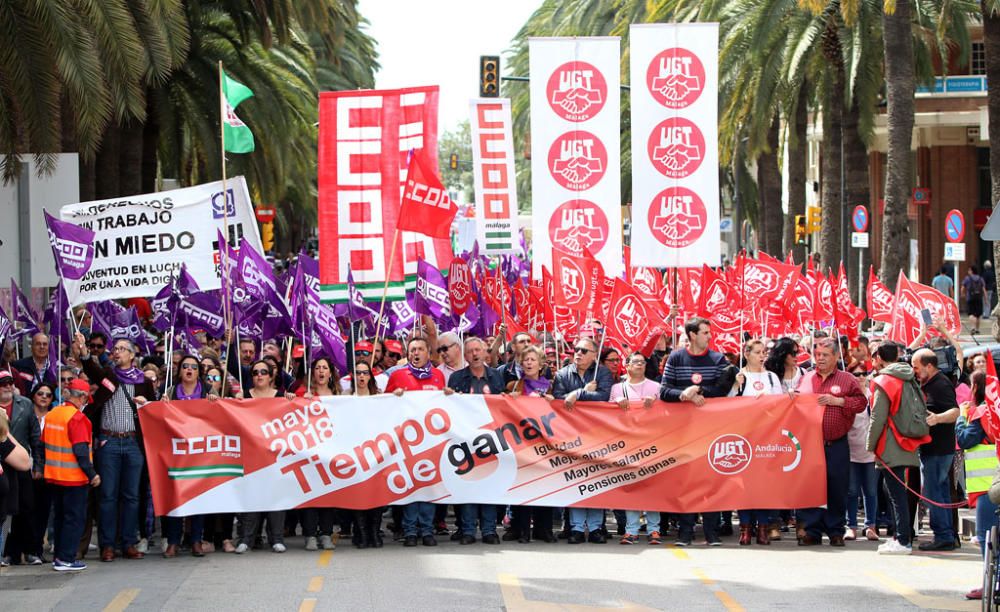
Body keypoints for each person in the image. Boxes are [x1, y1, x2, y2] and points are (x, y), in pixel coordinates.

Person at [75, 333, 154, 562]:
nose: (116, 352)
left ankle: (128, 542)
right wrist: (85, 354)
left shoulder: (143, 382)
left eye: (121, 349)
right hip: (108, 443)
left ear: (131, 355)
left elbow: (153, 411)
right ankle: (107, 545)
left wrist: (149, 403)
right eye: (115, 348)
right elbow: (93, 370)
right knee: (108, 496)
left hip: (133, 444)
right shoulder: (109, 376)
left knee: (131, 496)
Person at [660, 317, 732, 546]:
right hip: (683, 432)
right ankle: (685, 532)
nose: (709, 336)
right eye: (705, 332)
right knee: (686, 483)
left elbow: (722, 388)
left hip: (711, 431)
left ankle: (712, 532)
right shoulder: (676, 357)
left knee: (711, 482)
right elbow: (664, 390)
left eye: (709, 332)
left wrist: (699, 390)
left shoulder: (717, 358)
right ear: (692, 335)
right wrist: (683, 395)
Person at [796, 337, 866, 547]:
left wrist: (840, 401)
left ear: (837, 356)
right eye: (817, 355)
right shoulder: (807, 378)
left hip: (836, 443)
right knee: (810, 487)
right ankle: (811, 530)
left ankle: (835, 530)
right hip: (810, 444)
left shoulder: (847, 379)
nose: (821, 359)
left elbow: (862, 403)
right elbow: (798, 403)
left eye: (825, 355)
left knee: (837, 487)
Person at [387, 337, 449, 547]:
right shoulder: (397, 375)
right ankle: (410, 531)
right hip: (407, 443)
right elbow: (383, 406)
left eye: (420, 349)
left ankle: (427, 530)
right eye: (412, 349)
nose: (416, 353)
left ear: (428, 352)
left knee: (429, 487)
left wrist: (449, 396)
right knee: (412, 488)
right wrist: (392, 396)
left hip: (431, 442)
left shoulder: (438, 376)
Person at [552, 336, 613, 543]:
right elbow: (560, 401)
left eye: (584, 351)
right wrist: (583, 392)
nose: (578, 353)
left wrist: (576, 395)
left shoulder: (603, 372)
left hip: (597, 434)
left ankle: (596, 528)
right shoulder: (562, 374)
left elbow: (603, 397)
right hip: (571, 435)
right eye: (576, 349)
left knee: (595, 481)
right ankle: (577, 528)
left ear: (594, 355)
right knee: (576, 480)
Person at [159, 355, 218, 558]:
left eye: (194, 367)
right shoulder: (171, 391)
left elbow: (220, 416)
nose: (189, 370)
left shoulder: (208, 390)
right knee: (176, 498)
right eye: (185, 366)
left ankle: (195, 541)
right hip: (177, 452)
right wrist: (162, 404)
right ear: (180, 370)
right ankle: (173, 541)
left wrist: (214, 402)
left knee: (198, 499)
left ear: (199, 372)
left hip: (200, 452)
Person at [448, 337, 504, 545]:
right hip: (465, 438)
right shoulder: (456, 378)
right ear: (465, 355)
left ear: (485, 352)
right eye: (470, 351)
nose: (474, 354)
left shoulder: (496, 377)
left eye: (478, 350)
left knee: (489, 485)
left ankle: (489, 530)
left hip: (492, 439)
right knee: (469, 484)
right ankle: (468, 530)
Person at [866, 341, 921, 555]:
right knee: (894, 491)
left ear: (878, 357)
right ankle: (899, 536)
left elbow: (877, 417)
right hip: (906, 437)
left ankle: (903, 541)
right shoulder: (907, 376)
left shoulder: (884, 380)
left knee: (896, 493)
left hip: (889, 441)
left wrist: (870, 445)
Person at [41, 378, 99, 571]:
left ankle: (59, 556)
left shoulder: (52, 414)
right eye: (85, 399)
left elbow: (43, 445)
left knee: (59, 517)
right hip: (73, 478)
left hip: (53, 475)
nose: (85, 403)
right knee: (74, 519)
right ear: (81, 397)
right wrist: (92, 474)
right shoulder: (77, 418)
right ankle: (66, 558)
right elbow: (81, 451)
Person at [731, 340, 782, 545]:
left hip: (767, 437)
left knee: (764, 485)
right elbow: (728, 405)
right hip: (744, 437)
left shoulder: (771, 377)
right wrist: (736, 386)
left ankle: (763, 527)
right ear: (747, 354)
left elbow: (781, 405)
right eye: (758, 352)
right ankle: (745, 528)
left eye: (764, 353)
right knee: (743, 485)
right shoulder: (739, 376)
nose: (762, 356)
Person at [610, 352, 662, 545]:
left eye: (643, 361)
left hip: (651, 443)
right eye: (636, 361)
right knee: (631, 487)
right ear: (627, 365)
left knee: (651, 488)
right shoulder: (618, 389)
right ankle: (631, 530)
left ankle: (654, 529)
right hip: (627, 444)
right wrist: (615, 403)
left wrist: (655, 404)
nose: (640, 364)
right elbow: (604, 415)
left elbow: (667, 413)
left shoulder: (656, 387)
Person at [911, 348, 960, 551]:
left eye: (917, 367)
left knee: (933, 492)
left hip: (939, 449)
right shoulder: (929, 383)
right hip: (933, 448)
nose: (914, 371)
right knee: (939, 492)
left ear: (929, 366)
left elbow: (955, 411)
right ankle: (946, 534)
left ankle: (943, 535)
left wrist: (937, 418)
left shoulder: (940, 384)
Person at [236, 360, 287, 554]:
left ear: (271, 375)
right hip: (251, 454)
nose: (259, 375)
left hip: (275, 455)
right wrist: (235, 401)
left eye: (264, 372)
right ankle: (246, 539)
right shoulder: (244, 397)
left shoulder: (281, 396)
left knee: (276, 497)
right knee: (252, 497)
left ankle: (277, 538)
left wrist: (294, 399)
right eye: (255, 372)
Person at [506, 345, 555, 543]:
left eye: (533, 360)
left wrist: (554, 401)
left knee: (545, 485)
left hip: (544, 442)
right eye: (525, 360)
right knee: (523, 485)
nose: (528, 363)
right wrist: (509, 400)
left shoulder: (550, 386)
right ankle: (521, 529)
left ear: (541, 364)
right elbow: (502, 410)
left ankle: (544, 529)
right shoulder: (514, 386)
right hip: (522, 443)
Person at [956, 371, 998, 600]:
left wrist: (962, 417)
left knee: (987, 537)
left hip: (988, 486)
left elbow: (965, 439)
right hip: (991, 483)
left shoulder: (982, 412)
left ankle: (990, 584)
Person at [296, 358, 339, 552]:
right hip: (309, 453)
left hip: (331, 453)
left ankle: (326, 534)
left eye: (325, 368)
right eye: (318, 368)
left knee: (328, 497)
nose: (321, 371)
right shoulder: (303, 394)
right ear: (312, 372)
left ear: (330, 373)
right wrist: (298, 400)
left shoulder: (339, 394)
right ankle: (310, 535)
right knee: (311, 497)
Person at [3, 379, 48, 566]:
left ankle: (31, 551)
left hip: (20, 463)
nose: (7, 386)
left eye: (9, 382)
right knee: (6, 511)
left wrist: (38, 465)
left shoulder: (25, 404)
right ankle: (8, 553)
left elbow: (35, 438)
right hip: (2, 466)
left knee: (27, 508)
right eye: (2, 383)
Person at [349, 361, 384, 548]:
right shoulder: (345, 398)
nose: (361, 376)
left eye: (365, 373)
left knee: (376, 493)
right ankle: (361, 533)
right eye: (358, 373)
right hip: (355, 453)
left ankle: (374, 531)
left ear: (370, 376)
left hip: (376, 452)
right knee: (359, 493)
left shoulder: (380, 398)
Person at [962, 265, 988, 334]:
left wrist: (963, 294)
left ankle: (973, 327)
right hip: (979, 298)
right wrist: (986, 299)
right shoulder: (980, 278)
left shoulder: (967, 278)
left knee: (971, 313)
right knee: (978, 314)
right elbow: (984, 289)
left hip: (970, 298)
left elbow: (962, 288)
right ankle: (977, 329)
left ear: (971, 270)